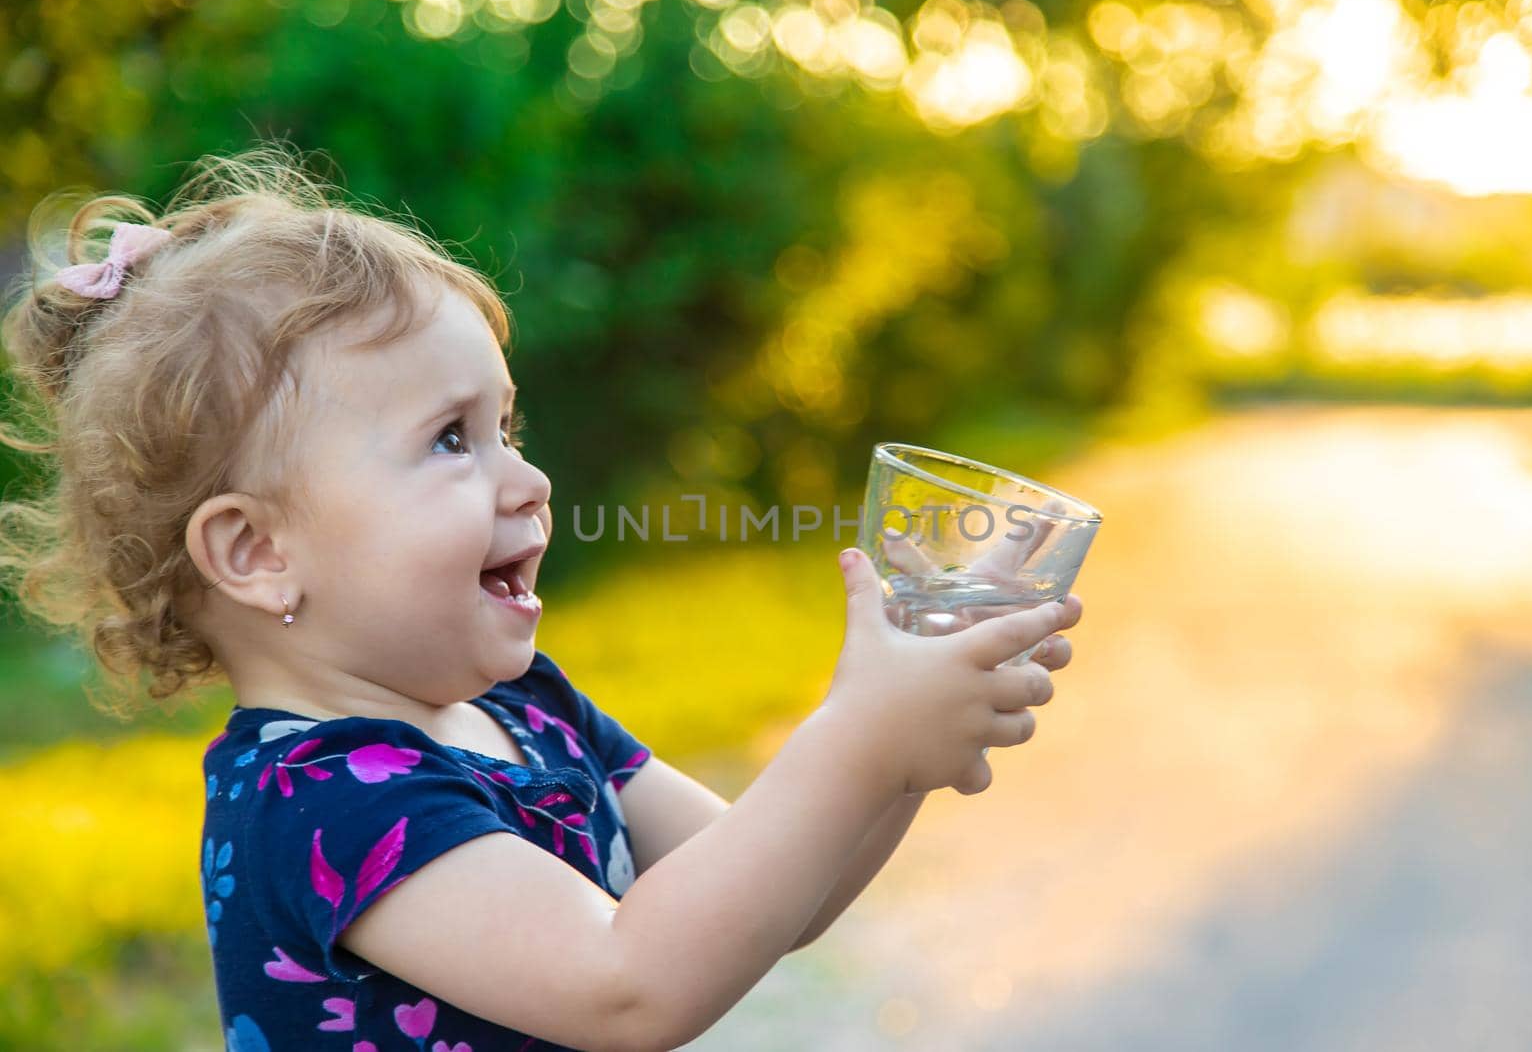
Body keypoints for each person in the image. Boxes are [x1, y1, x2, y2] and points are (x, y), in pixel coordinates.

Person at [0, 143, 1083, 1052]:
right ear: (256, 549)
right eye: (450, 438)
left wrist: (909, 705)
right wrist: (862, 733)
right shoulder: (322, 798)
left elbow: (774, 887)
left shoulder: (528, 711)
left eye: (507, 427)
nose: (529, 479)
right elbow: (628, 982)